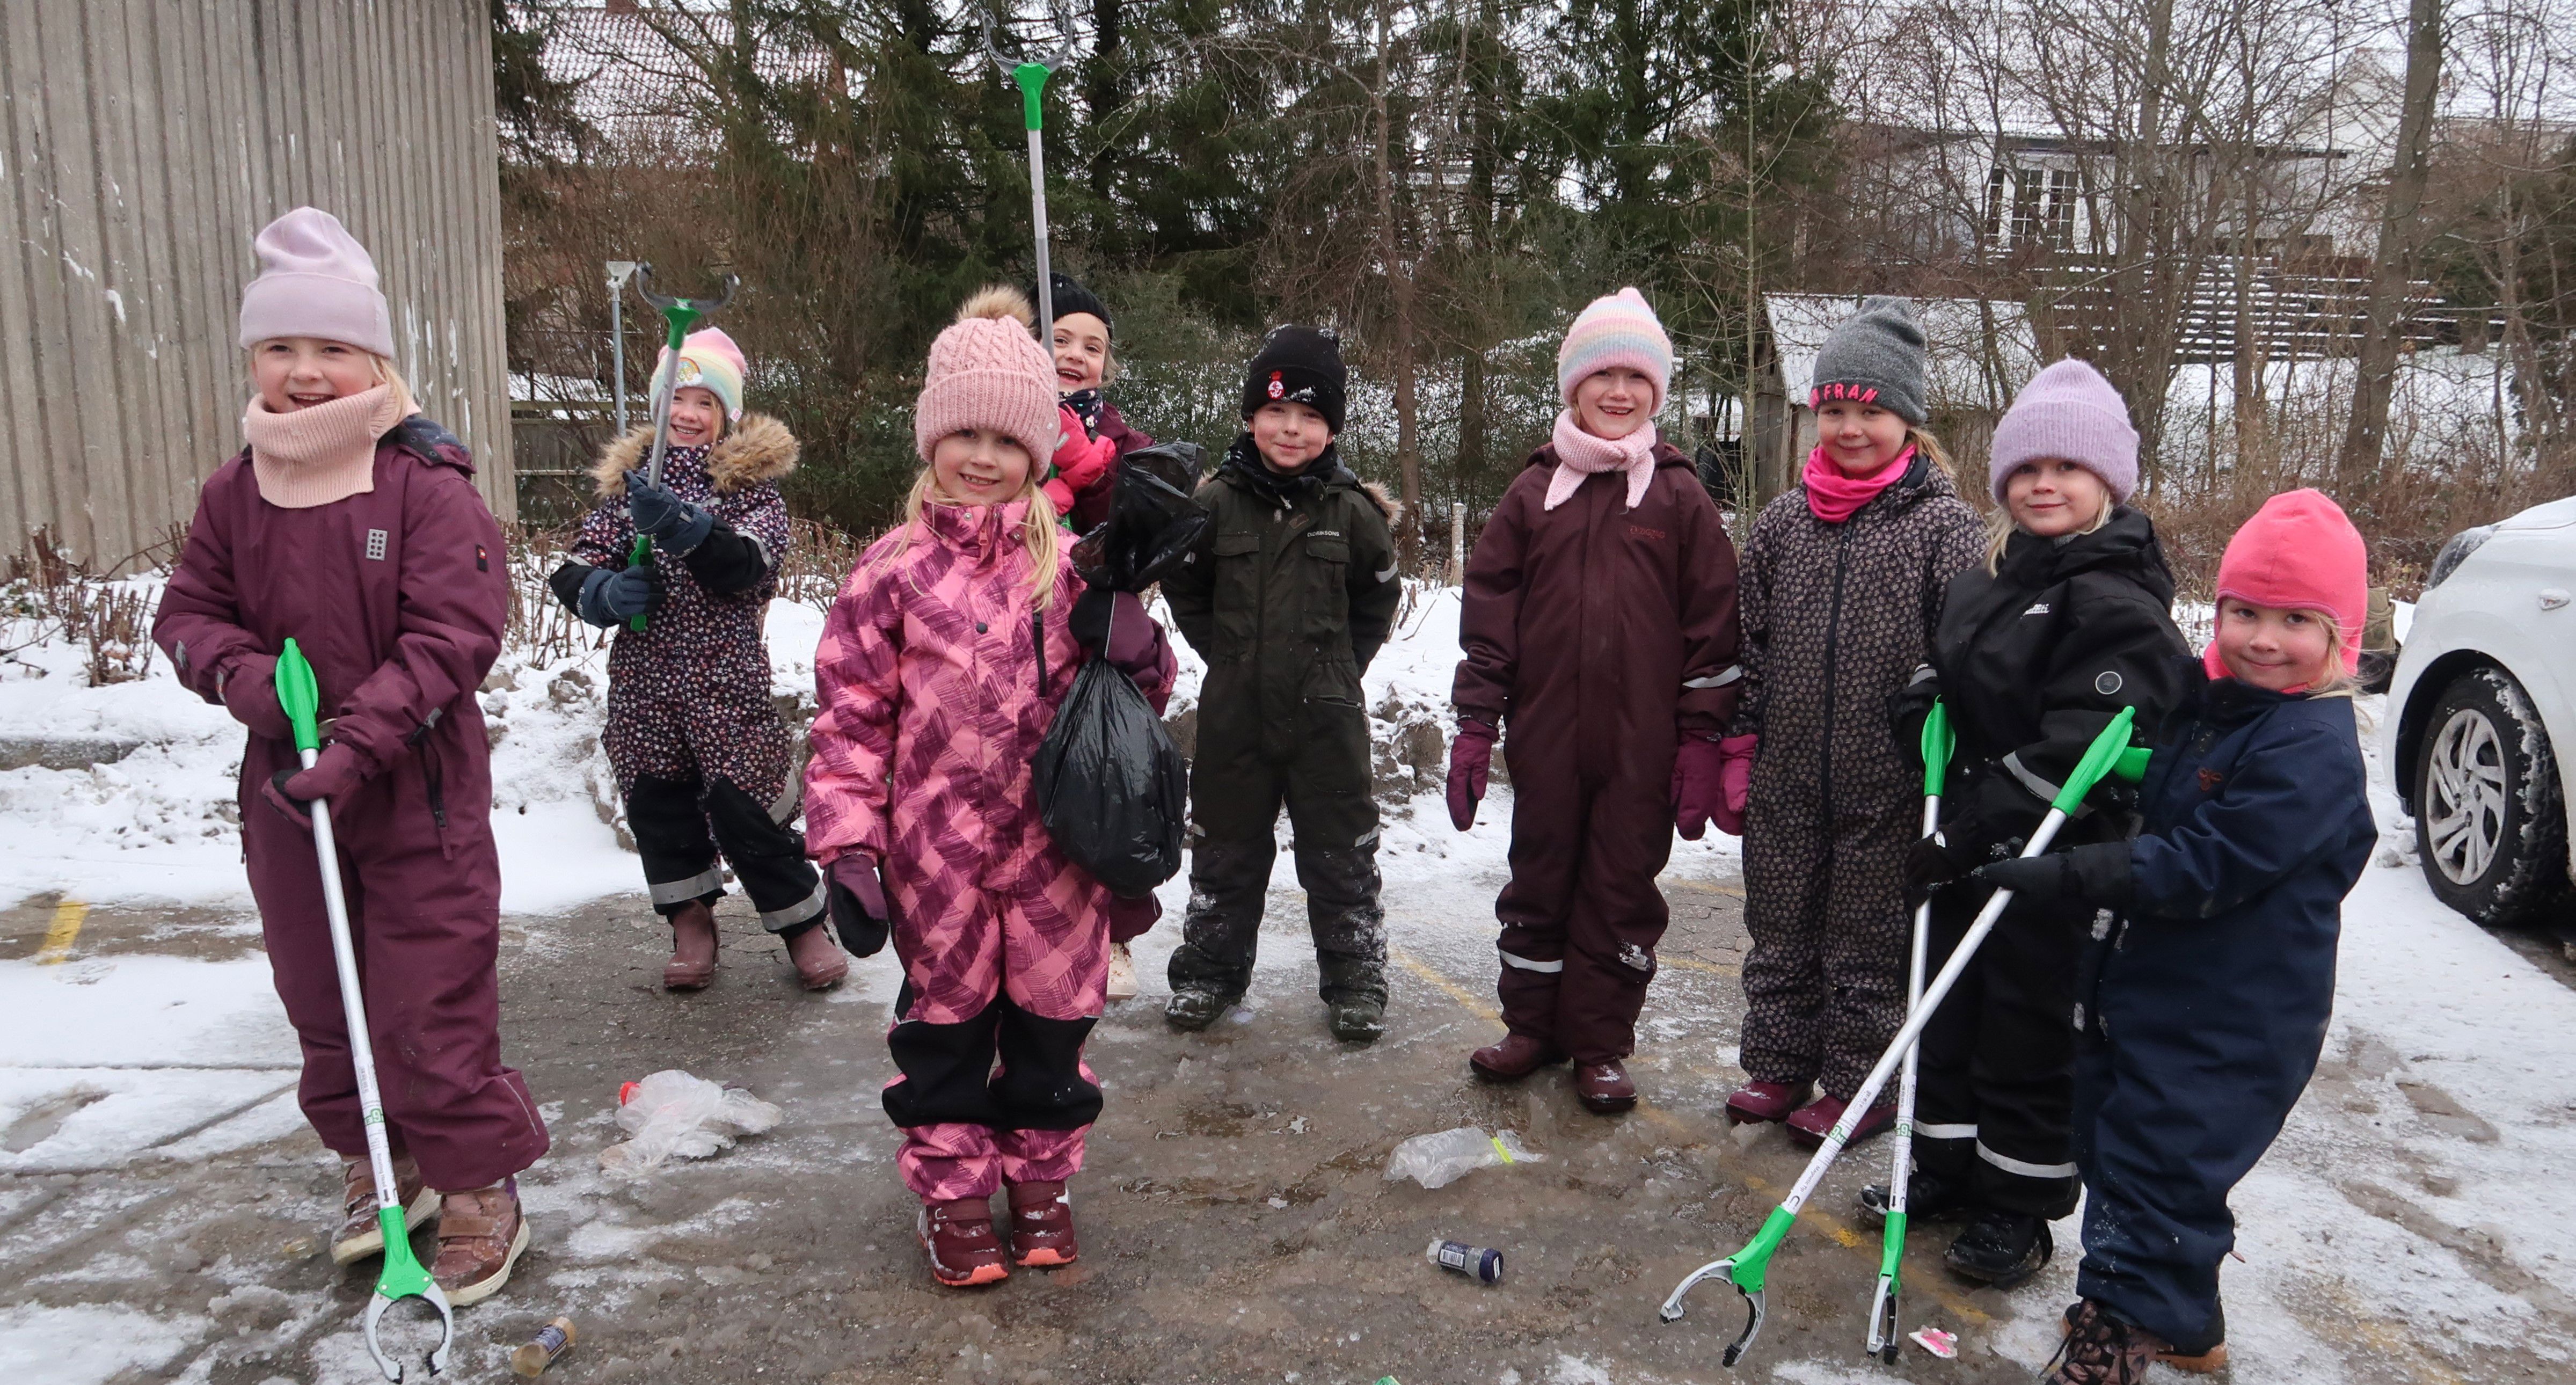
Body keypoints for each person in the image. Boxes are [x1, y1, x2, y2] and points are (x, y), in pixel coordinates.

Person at [154, 207, 547, 1306]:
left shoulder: (423, 486)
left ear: (374, 360)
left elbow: (454, 634)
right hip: (287, 794)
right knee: (320, 994)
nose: (304, 372)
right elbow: (187, 614)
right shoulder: (235, 493)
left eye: (331, 347)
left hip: (416, 793)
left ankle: (477, 1187)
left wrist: (360, 740)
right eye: (279, 347)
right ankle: (382, 1164)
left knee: (429, 1000)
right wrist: (243, 681)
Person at [802, 287, 1177, 1288]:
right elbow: (849, 720)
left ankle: (1040, 1181)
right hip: (938, 861)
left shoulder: (1069, 566)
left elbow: (1134, 703)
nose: (982, 456)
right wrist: (846, 845)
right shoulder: (888, 573)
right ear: (932, 437)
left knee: (1052, 1030)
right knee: (947, 1033)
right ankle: (955, 1194)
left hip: (1058, 855)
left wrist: (1132, 643)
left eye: (1007, 439)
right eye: (963, 433)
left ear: (1036, 452)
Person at [1975, 490, 2374, 1383]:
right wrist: (2124, 773)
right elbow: (2175, 791)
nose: (2261, 640)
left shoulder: (2308, 750)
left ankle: (2117, 1334)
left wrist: (2075, 874)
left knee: (2157, 1171)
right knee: (2118, 1148)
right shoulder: (2215, 709)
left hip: (2230, 1017)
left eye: (2294, 621)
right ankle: (2185, 1326)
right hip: (2152, 991)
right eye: (2243, 613)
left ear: (2338, 635)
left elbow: (2207, 863)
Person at [1875, 358, 2191, 1287]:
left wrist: (1971, 830)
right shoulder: (1988, 575)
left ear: (2106, 481)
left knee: (2025, 1024)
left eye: (2065, 469)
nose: (2041, 485)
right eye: (2025, 470)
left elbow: (2083, 740)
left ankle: (2015, 1202)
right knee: (1945, 1004)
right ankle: (1942, 1163)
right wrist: (1920, 700)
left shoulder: (2114, 596)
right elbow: (1947, 663)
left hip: (2054, 854)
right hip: (1967, 834)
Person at [1446, 288, 1747, 1114]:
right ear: (1572, 386)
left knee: (1619, 891)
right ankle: (1530, 1028)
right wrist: (1475, 722)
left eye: (1636, 378)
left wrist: (1700, 739)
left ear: (1657, 392)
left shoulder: (1679, 497)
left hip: (1640, 749)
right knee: (1538, 880)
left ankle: (1599, 1044)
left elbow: (1713, 627)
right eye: (1601, 376)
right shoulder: (1532, 491)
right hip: (1546, 737)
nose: (1618, 392)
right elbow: (1489, 616)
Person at [1726, 297, 1986, 1144]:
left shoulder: (1942, 527)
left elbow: (1966, 654)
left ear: (1906, 419)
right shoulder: (1782, 523)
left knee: (1866, 938)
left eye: (1869, 412)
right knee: (1779, 922)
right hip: (1787, 770)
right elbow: (1749, 640)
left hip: (1891, 780)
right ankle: (1777, 1063)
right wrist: (1739, 741)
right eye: (1833, 410)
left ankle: (1858, 1084)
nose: (1848, 428)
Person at [550, 328, 843, 992]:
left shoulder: (750, 491)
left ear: (725, 415)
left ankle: (801, 922)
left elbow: (747, 566)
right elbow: (573, 569)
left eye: (704, 402)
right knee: (658, 804)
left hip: (725, 678)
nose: (686, 414)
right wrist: (604, 592)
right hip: (644, 682)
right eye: (675, 399)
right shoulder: (626, 492)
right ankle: (691, 922)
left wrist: (685, 528)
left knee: (747, 804)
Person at [1158, 325, 1404, 1043]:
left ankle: (1355, 980)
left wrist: (1339, 668)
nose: (1290, 429)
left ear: (1331, 429)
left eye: (1309, 416)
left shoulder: (1352, 511)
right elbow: (1185, 587)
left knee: (1340, 853)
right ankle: (1209, 973)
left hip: (1327, 717)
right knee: (1224, 850)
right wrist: (1227, 654)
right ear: (1249, 417)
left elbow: (1376, 600)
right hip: (1234, 711)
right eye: (1275, 412)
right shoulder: (1213, 504)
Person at [1037, 271, 1161, 1000]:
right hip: (1009, 637)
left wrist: (1090, 469)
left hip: (1094, 638)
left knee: (1109, 779)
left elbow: (1137, 538)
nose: (1075, 355)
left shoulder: (1123, 442)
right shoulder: (990, 425)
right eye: (1059, 339)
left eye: (1092, 346)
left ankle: (1114, 934)